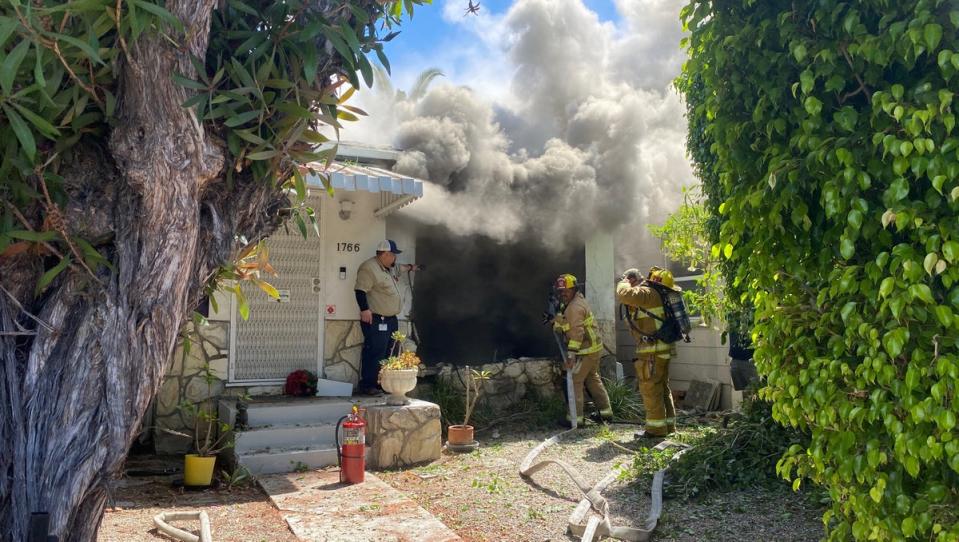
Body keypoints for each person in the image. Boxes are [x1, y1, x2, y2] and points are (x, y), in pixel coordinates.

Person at [616, 267, 678, 438]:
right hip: (662, 350)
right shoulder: (660, 295)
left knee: (650, 389)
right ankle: (669, 427)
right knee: (662, 389)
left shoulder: (648, 293)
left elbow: (623, 295)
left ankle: (656, 430)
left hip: (652, 352)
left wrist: (624, 281)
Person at [354, 240, 416, 395]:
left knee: (390, 351)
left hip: (390, 319)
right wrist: (364, 310)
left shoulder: (389, 268)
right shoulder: (369, 268)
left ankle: (385, 384)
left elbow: (400, 269)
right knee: (375, 352)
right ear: (386, 254)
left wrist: (412, 267)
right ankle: (368, 385)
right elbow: (360, 290)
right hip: (376, 319)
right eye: (393, 254)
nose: (395, 258)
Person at [552, 273, 613, 425]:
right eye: (560, 291)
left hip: (584, 351)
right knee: (592, 379)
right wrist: (558, 321)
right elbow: (568, 323)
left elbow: (576, 334)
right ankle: (606, 413)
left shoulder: (575, 307)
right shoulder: (574, 301)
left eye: (566, 290)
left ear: (574, 289)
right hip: (592, 349)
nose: (563, 293)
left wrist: (571, 356)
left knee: (575, 381)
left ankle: (575, 419)